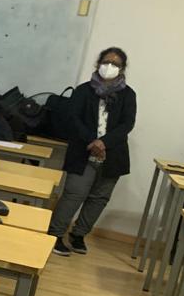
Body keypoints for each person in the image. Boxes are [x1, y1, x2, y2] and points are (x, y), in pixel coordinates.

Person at [48, 47, 136, 257]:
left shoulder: (128, 94)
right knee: (73, 194)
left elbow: (127, 124)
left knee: (99, 198)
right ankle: (55, 234)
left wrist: (103, 143)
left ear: (122, 68)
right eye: (106, 62)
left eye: (115, 64)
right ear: (98, 64)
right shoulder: (83, 90)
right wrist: (92, 141)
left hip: (112, 154)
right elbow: (73, 119)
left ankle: (79, 234)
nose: (110, 66)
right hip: (83, 151)